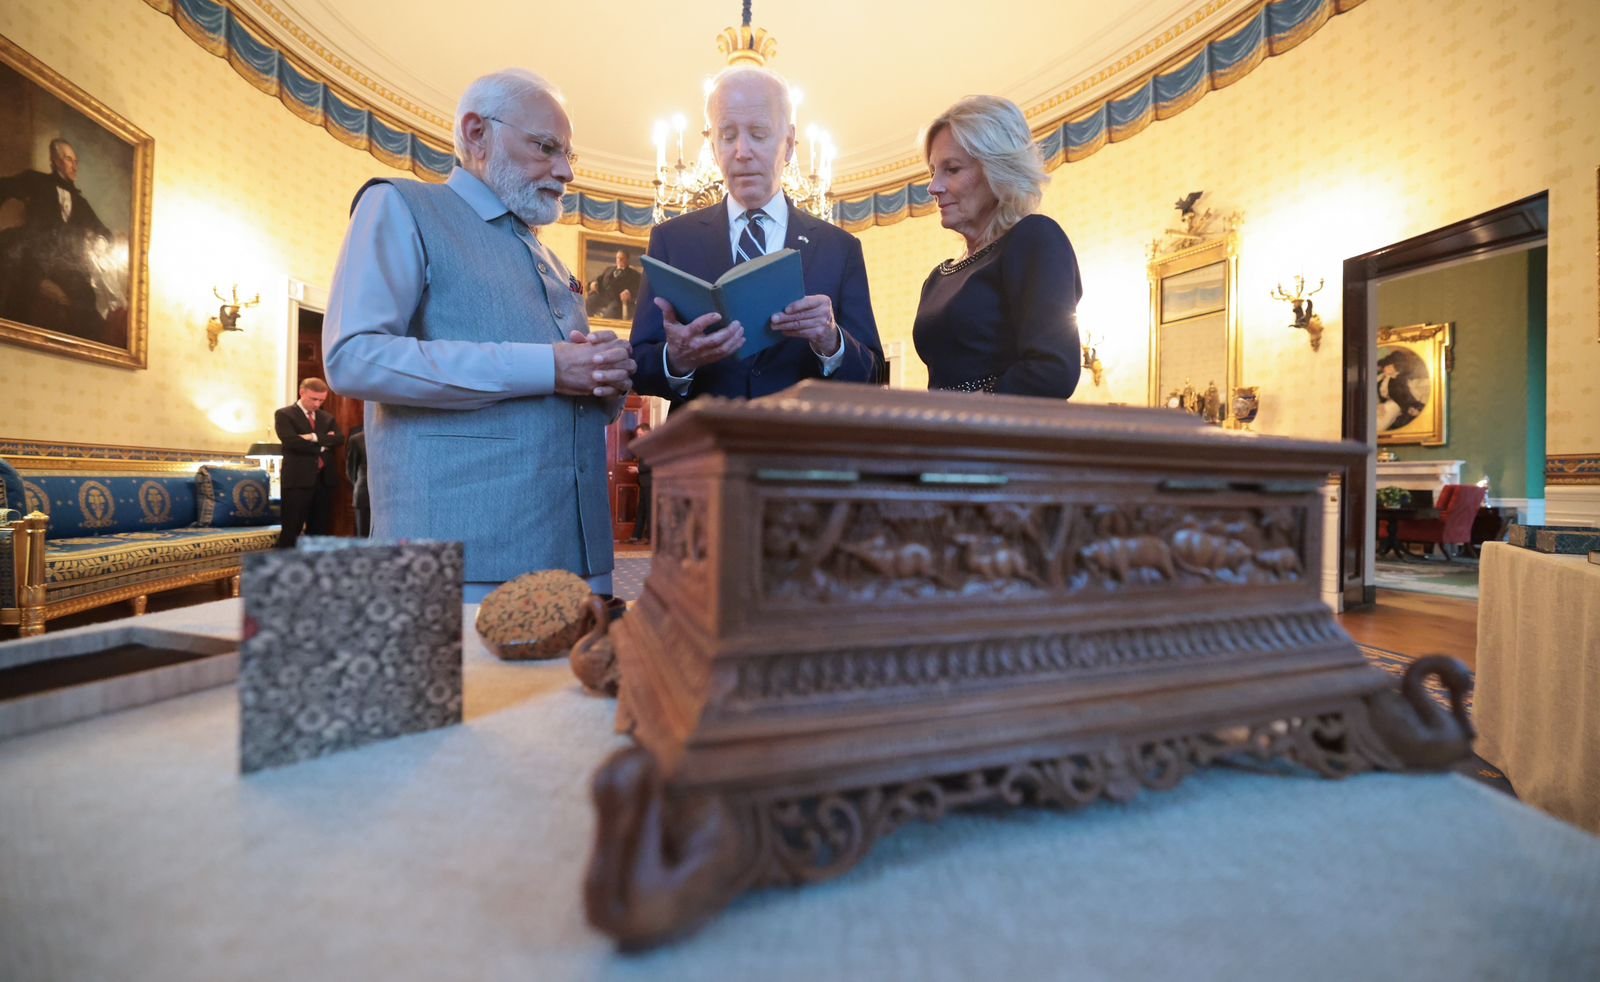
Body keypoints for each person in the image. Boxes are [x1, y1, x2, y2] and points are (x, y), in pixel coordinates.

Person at [322, 69, 635, 600]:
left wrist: (608, 378)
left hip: (580, 550)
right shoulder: (402, 205)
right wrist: (550, 367)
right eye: (545, 147)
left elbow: (576, 400)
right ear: (475, 133)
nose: (565, 172)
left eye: (568, 156)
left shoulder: (553, 261)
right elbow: (354, 357)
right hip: (458, 558)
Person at [630, 66, 883, 404]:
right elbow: (638, 367)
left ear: (790, 144)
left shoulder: (840, 248)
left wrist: (831, 341)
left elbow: (874, 375)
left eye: (759, 133)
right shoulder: (671, 240)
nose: (741, 151)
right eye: (728, 135)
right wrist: (677, 359)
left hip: (799, 452)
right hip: (702, 449)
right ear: (712, 143)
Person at [912, 96, 1082, 397]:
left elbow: (1053, 371)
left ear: (998, 170)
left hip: (1000, 440)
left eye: (951, 169)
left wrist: (962, 414)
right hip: (944, 439)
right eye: (932, 171)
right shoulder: (938, 278)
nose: (933, 187)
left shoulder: (1035, 238)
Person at [0, 138, 120, 344]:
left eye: (76, 161)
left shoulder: (80, 202)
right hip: (36, 250)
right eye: (67, 159)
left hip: (64, 260)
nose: (74, 166)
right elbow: (3, 187)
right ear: (55, 161)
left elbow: (103, 230)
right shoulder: (36, 181)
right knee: (22, 289)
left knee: (86, 298)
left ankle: (84, 348)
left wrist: (102, 240)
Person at [273, 377, 344, 549]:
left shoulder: (326, 417)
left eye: (321, 400)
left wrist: (313, 437)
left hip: (324, 481)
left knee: (320, 529)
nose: (317, 404)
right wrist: (323, 445)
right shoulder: (285, 414)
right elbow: (292, 442)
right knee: (292, 529)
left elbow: (339, 439)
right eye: (314, 399)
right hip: (297, 480)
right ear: (302, 392)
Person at [587, 249, 642, 320]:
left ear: (627, 260)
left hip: (617, 300)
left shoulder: (634, 274)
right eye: (617, 258)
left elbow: (638, 289)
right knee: (589, 302)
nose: (619, 260)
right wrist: (593, 283)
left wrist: (629, 293)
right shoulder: (609, 269)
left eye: (622, 258)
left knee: (609, 314)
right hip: (603, 296)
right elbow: (598, 279)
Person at [1377, 353, 1424, 431]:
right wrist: (1379, 405)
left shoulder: (1399, 380)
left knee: (1388, 410)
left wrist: (1409, 409)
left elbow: (1405, 397)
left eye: (1389, 367)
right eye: (1386, 366)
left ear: (1397, 369)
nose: (1386, 368)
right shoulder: (1380, 379)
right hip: (1383, 405)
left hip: (1398, 405)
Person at [627, 422, 653, 544]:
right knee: (642, 510)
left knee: (650, 510)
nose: (639, 437)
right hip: (644, 482)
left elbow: (653, 462)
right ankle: (636, 536)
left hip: (651, 482)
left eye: (641, 434)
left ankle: (650, 538)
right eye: (638, 435)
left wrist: (638, 469)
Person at [345, 424, 370, 536]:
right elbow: (351, 470)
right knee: (363, 534)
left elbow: (351, 471)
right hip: (364, 494)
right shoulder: (357, 439)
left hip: (387, 495)